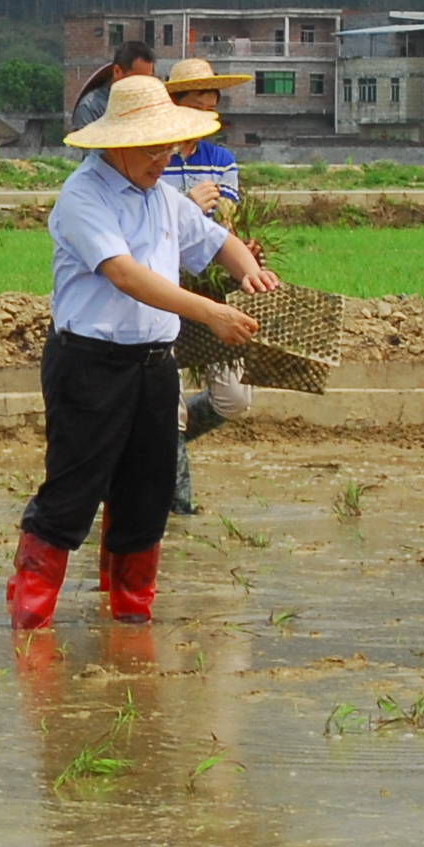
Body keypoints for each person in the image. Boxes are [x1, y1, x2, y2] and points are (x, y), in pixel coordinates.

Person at [11, 76, 280, 628]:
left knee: (146, 494)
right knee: (72, 491)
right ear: (117, 144)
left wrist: (250, 272)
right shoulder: (83, 197)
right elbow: (126, 276)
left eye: (168, 147)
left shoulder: (162, 199)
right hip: (91, 365)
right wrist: (211, 313)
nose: (164, 159)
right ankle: (31, 619)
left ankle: (131, 616)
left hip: (155, 366)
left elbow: (214, 241)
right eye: (152, 148)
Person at [156, 58, 264, 514]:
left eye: (211, 106)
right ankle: (175, 505)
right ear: (175, 105)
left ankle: (160, 445)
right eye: (196, 104)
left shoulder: (221, 161)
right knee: (170, 406)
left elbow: (226, 224)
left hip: (210, 292)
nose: (204, 114)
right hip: (160, 291)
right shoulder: (152, 160)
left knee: (234, 398)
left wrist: (243, 253)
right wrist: (187, 205)